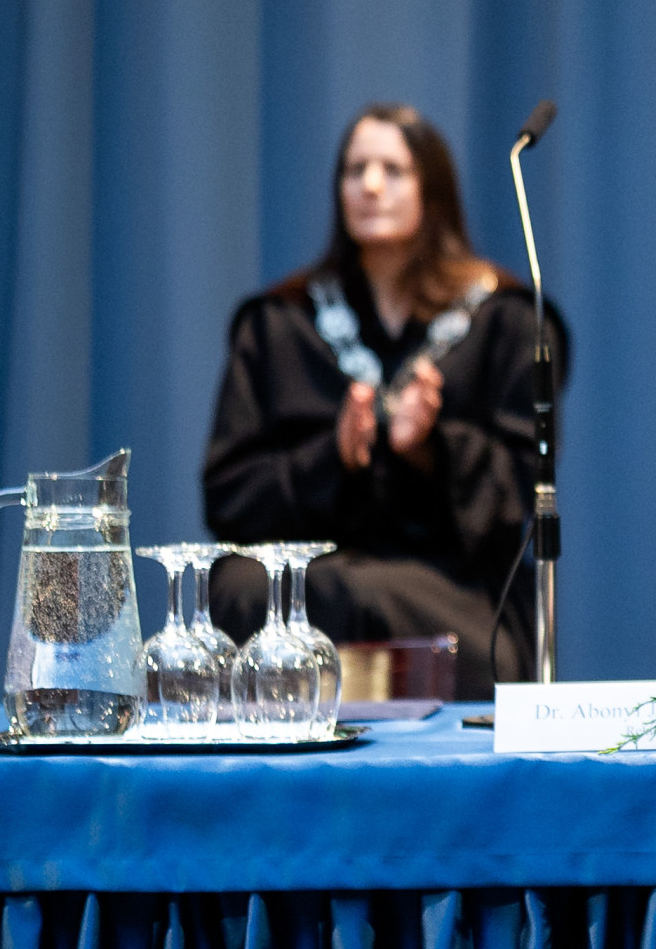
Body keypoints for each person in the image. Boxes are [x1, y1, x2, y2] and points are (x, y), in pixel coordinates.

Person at [205, 105, 567, 694]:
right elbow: (228, 499)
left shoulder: (506, 321)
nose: (370, 185)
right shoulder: (279, 323)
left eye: (393, 170)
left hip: (446, 581)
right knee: (246, 588)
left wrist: (431, 448)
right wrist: (333, 456)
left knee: (370, 595)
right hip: (303, 576)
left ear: (434, 190)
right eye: (355, 170)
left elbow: (517, 495)